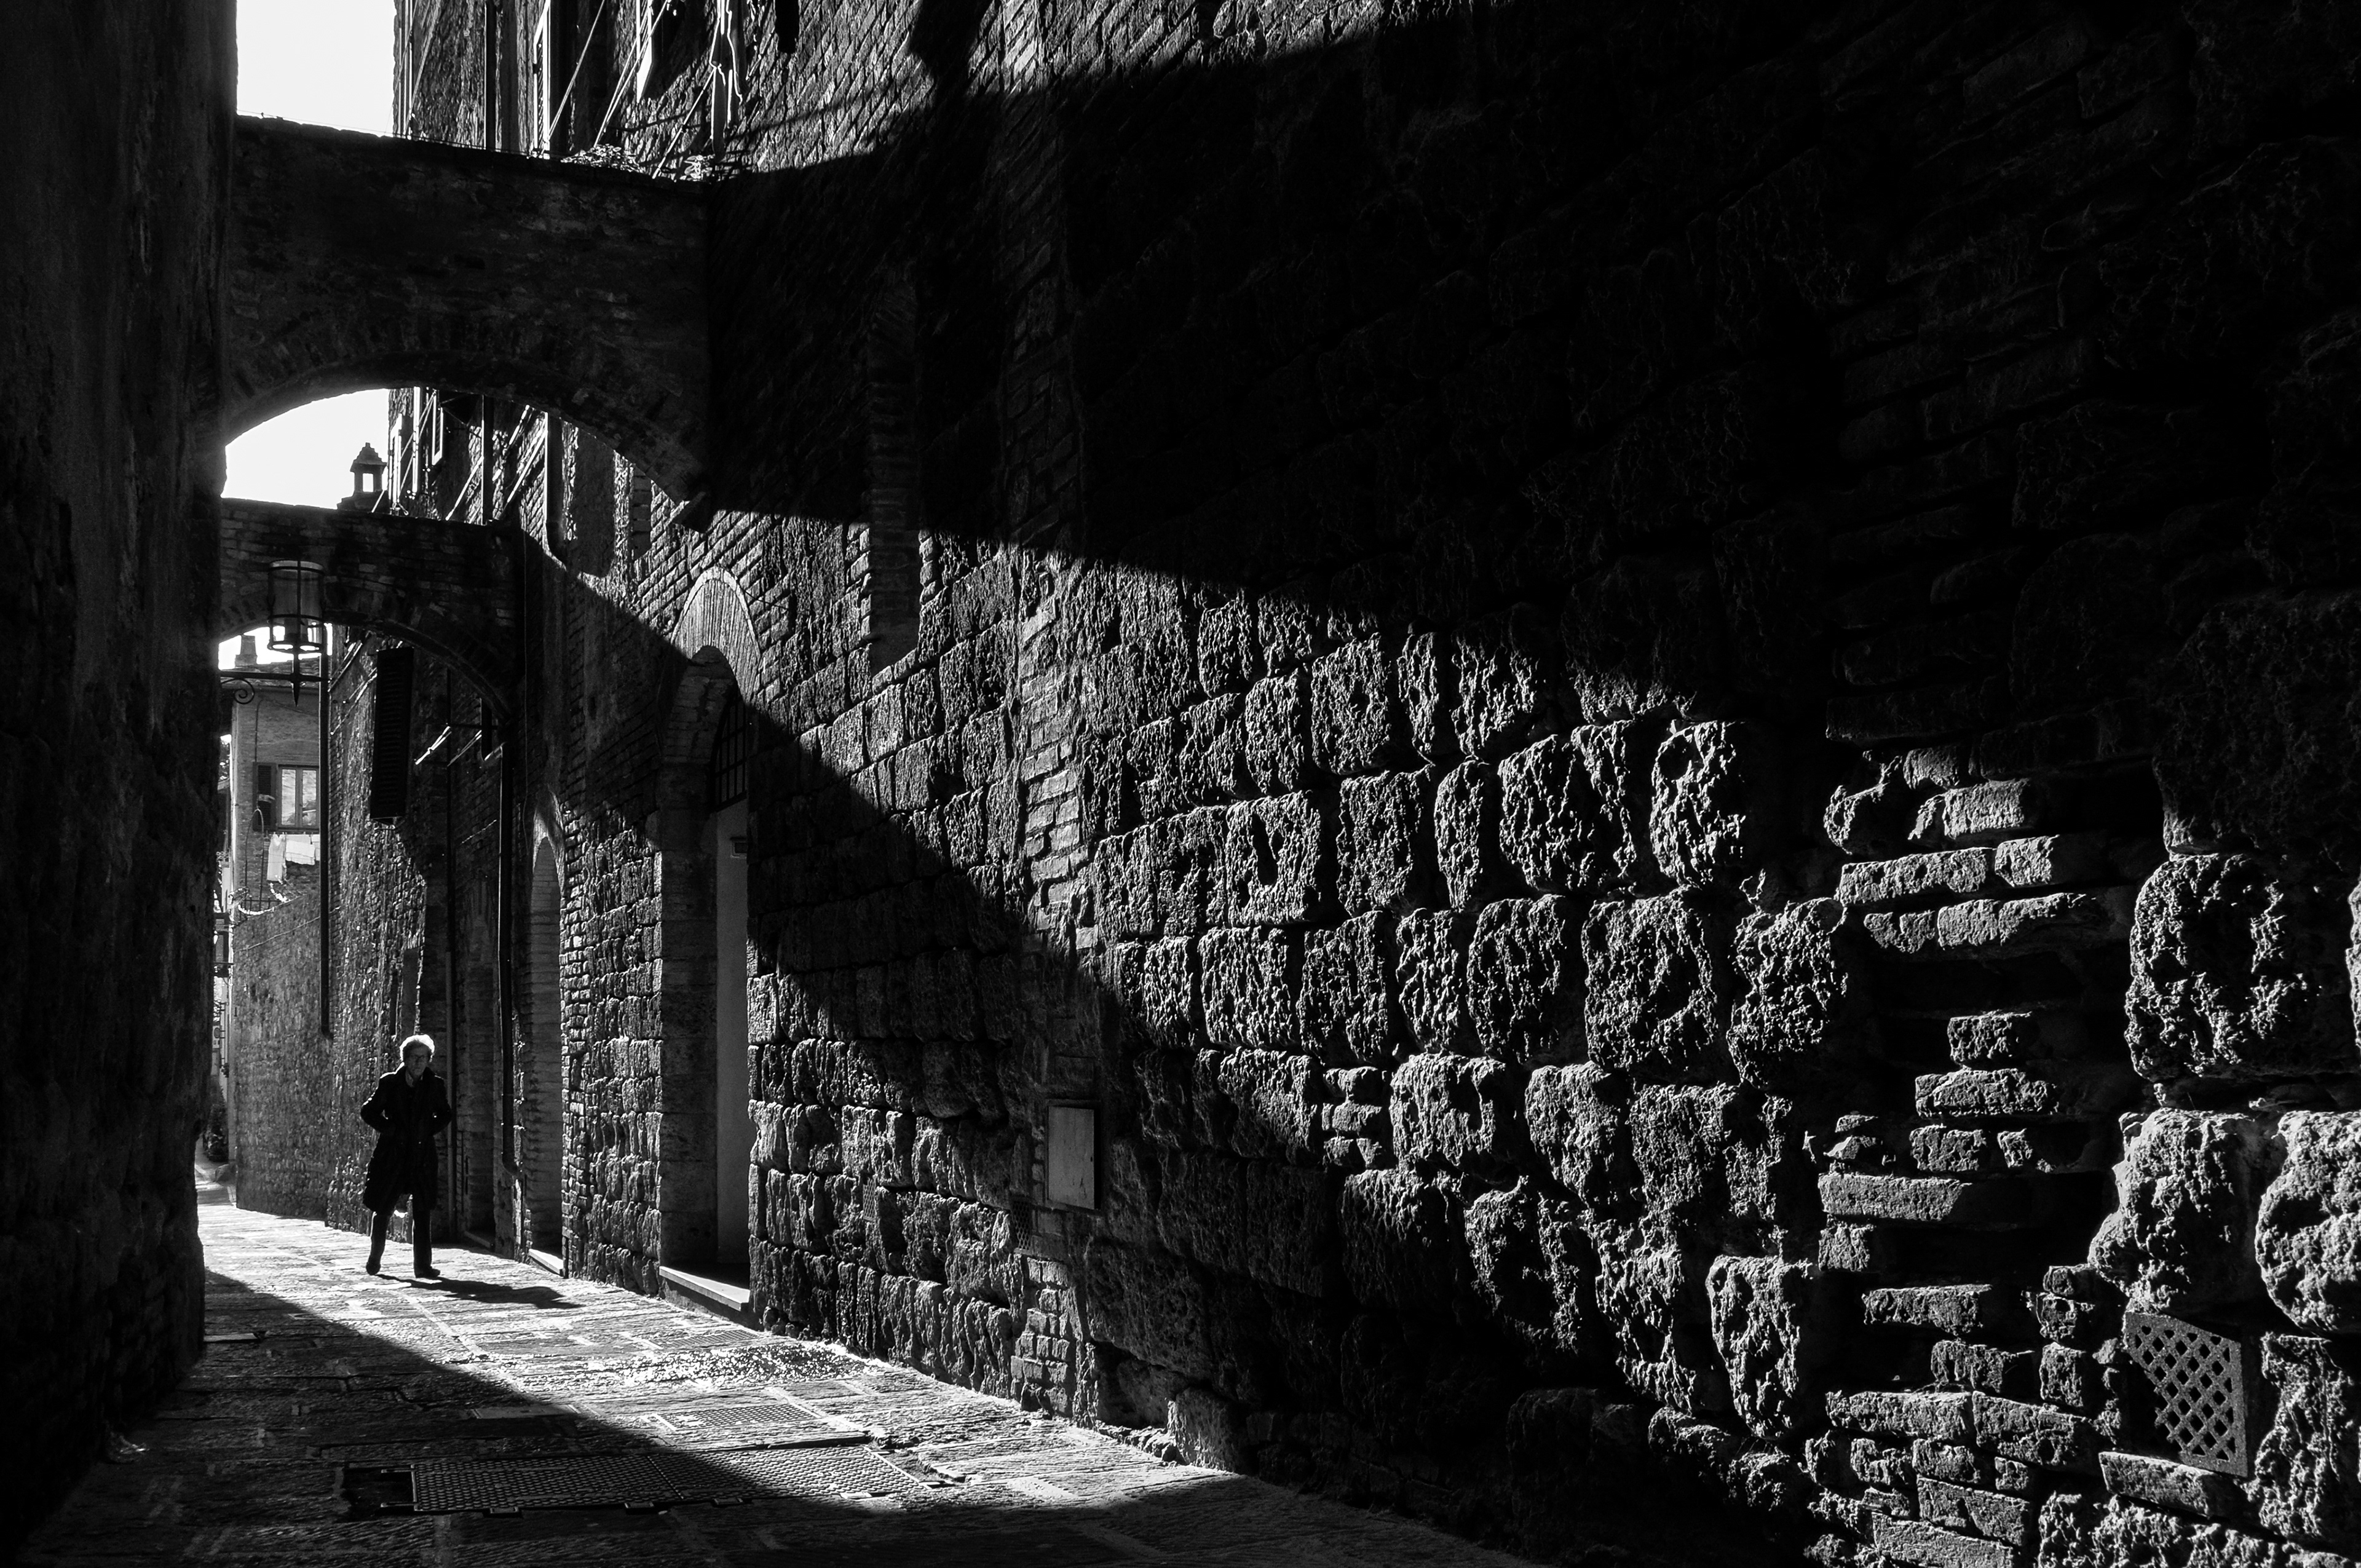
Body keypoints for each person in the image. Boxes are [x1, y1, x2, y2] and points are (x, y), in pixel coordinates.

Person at [359, 1034, 455, 1278]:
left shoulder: (435, 1085)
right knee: (383, 1208)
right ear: (405, 1059)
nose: (419, 1063)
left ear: (429, 1060)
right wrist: (391, 1130)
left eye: (424, 1058)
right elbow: (369, 1111)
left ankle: (422, 1266)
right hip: (393, 1155)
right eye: (414, 1058)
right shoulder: (390, 1083)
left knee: (423, 1211)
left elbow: (445, 1114)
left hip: (422, 1156)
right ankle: (375, 1258)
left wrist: (427, 1130)